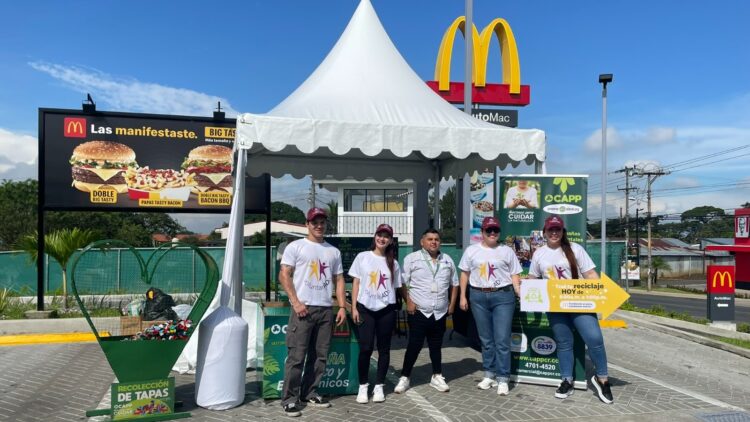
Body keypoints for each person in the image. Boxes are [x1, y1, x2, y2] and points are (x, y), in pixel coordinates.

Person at [528, 215, 614, 404]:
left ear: (562, 231)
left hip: (579, 301)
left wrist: (601, 294)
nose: (554, 232)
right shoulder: (539, 253)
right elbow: (533, 279)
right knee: (564, 342)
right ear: (545, 232)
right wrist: (523, 288)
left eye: (557, 229)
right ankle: (567, 380)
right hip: (554, 305)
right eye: (550, 229)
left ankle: (602, 379)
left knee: (594, 339)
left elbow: (590, 274)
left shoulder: (575, 249)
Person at [278, 207, 347, 417]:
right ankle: (289, 399)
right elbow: (284, 275)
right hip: (303, 310)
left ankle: (309, 393)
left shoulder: (333, 251)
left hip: (325, 310)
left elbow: (340, 280)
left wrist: (342, 306)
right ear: (307, 224)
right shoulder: (296, 247)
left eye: (322, 222)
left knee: (320, 357)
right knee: (297, 356)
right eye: (314, 222)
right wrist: (296, 302)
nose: (319, 226)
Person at [459, 216, 522, 396]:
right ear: (482, 232)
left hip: (503, 296)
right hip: (478, 296)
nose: (492, 233)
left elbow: (515, 274)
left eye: (495, 230)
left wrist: (518, 291)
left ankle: (503, 378)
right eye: (489, 230)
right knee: (486, 340)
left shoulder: (507, 251)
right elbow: (464, 274)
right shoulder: (471, 251)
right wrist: (463, 296)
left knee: (501, 339)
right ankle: (489, 374)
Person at [394, 228, 458, 394]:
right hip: (419, 311)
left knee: (436, 346)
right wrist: (408, 301)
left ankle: (437, 376)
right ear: (422, 242)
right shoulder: (412, 259)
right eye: (429, 239)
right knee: (414, 346)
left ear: (440, 242)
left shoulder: (447, 260)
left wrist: (452, 304)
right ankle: (405, 377)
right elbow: (401, 282)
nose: (433, 242)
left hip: (440, 311)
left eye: (436, 239)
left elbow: (455, 283)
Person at [349, 223, 403, 404]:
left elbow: (397, 288)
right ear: (375, 237)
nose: (382, 238)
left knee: (384, 349)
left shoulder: (393, 263)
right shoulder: (362, 257)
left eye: (386, 236)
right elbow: (356, 283)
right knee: (365, 348)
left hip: (386, 310)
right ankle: (363, 386)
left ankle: (379, 385)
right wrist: (353, 307)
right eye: (380, 235)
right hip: (365, 308)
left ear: (390, 241)